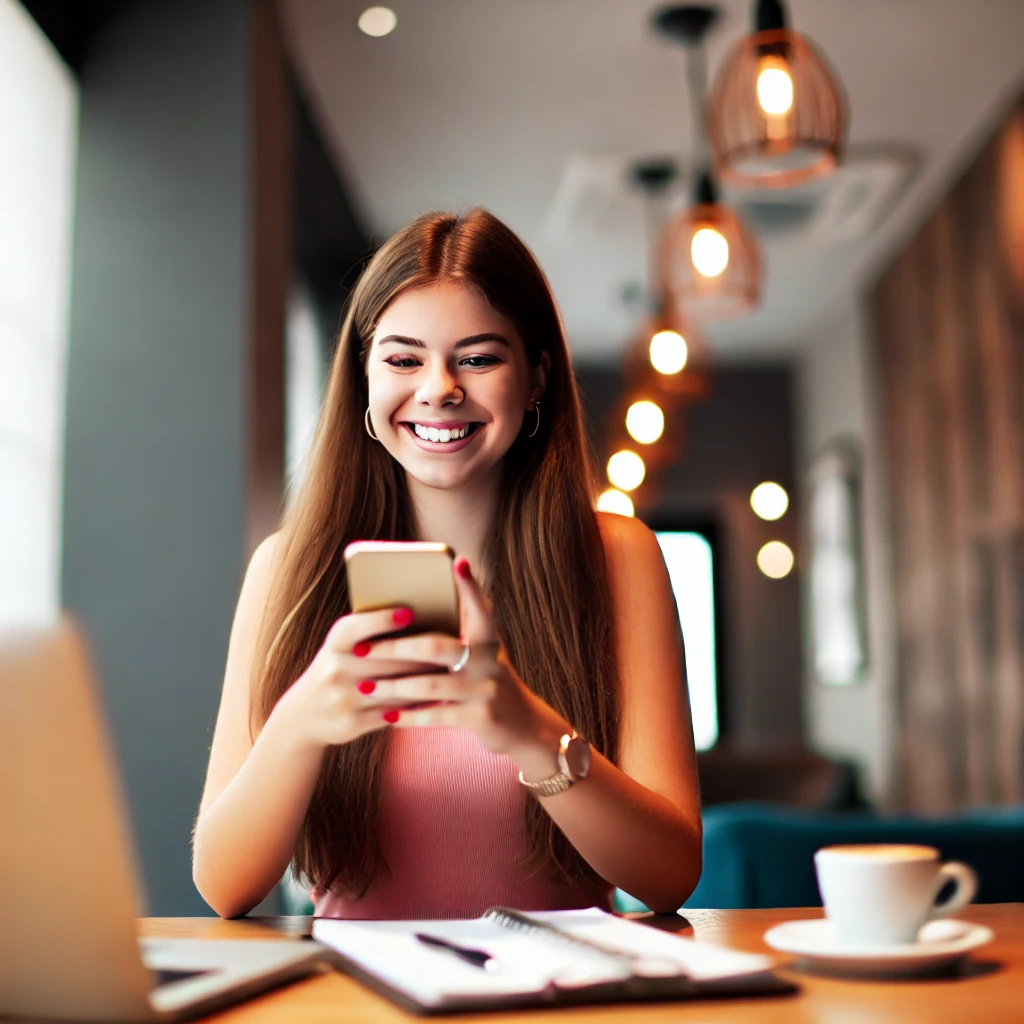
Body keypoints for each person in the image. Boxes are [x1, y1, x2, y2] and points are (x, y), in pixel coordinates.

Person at [192, 209, 702, 920]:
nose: (439, 388)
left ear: (536, 381)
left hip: (562, 997)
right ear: (363, 383)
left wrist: (527, 728)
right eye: (403, 359)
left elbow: (671, 876)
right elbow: (224, 887)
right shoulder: (287, 570)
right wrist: (303, 719)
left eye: (479, 357)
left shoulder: (619, 557)